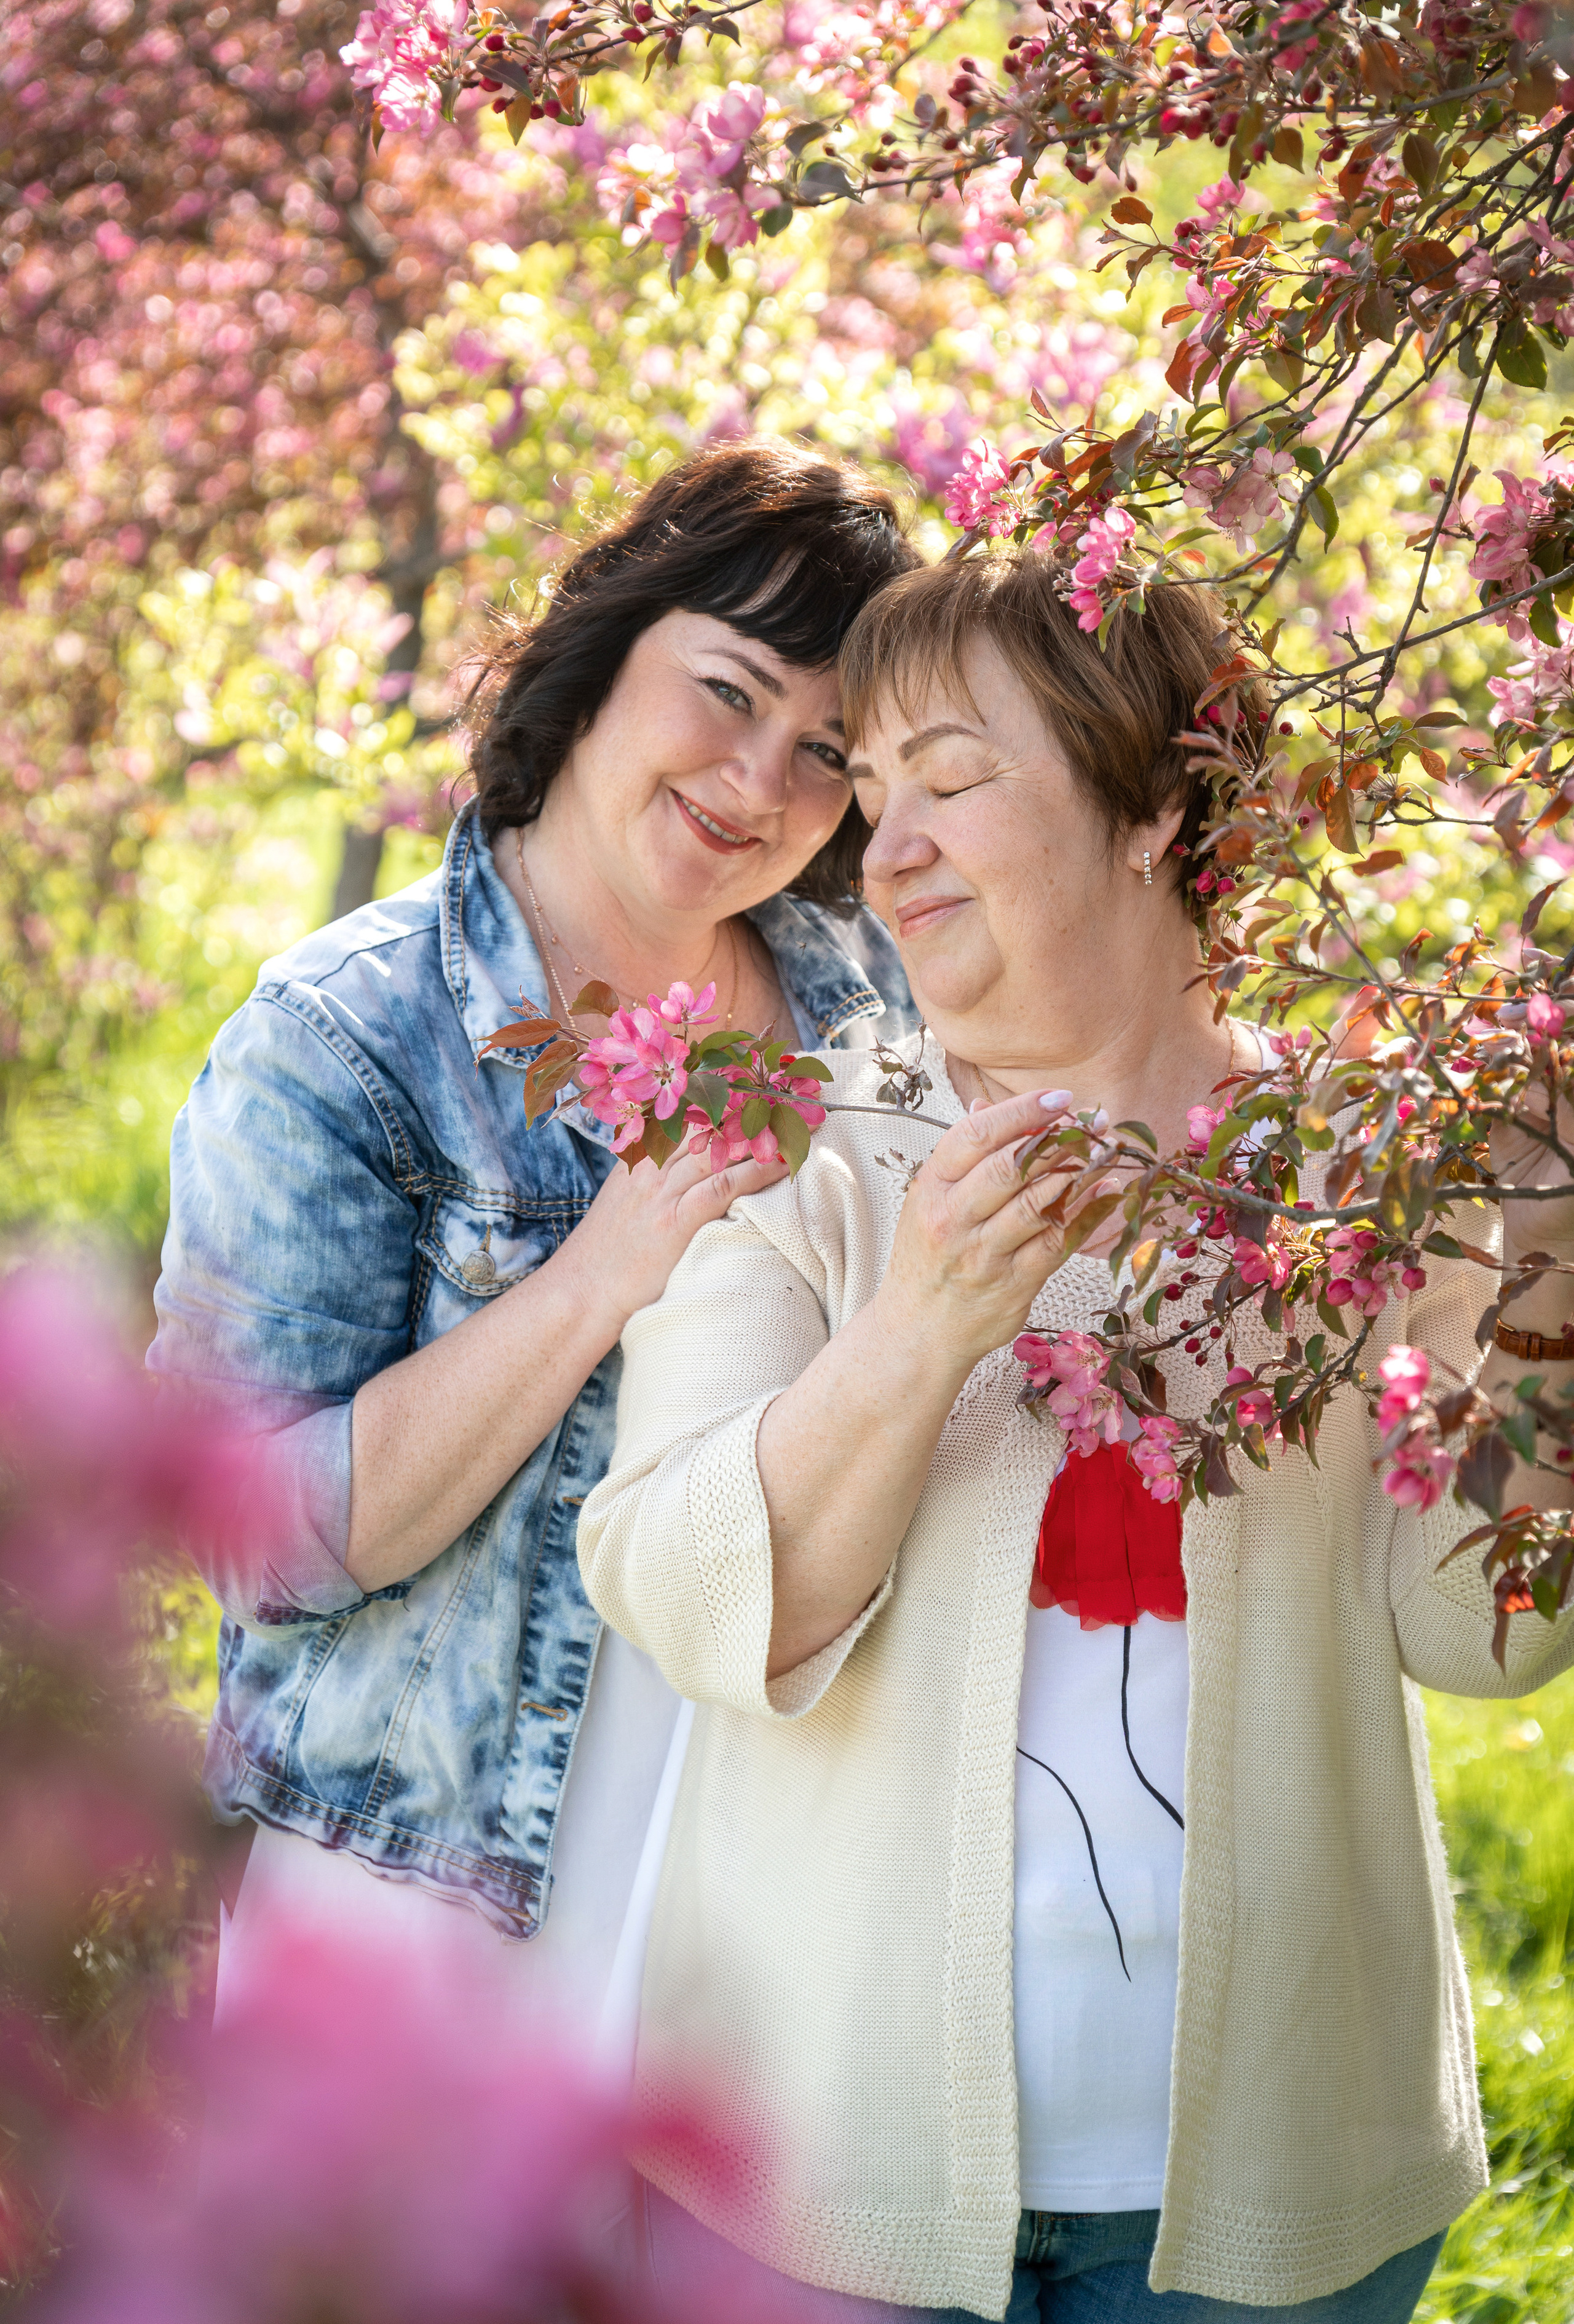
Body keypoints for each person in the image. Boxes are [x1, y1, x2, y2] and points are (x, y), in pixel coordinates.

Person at [577, 551, 1574, 2320]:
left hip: (1275, 2210)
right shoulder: (804, 1168)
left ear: (1151, 810)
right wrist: (922, 1325)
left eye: (951, 781)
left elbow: (1484, 1631)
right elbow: (689, 1591)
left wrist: (1552, 1284)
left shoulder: (1369, 1185)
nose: (881, 852)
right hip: (812, 2201)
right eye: (871, 799)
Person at [149, 440, 921, 2050]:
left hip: (775, 1909)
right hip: (420, 1917)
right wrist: (602, 1273)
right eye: (726, 691)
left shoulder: (882, 1021)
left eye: (827, 750)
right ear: (602, 655)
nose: (760, 782)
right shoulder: (348, 1038)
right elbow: (255, 1538)